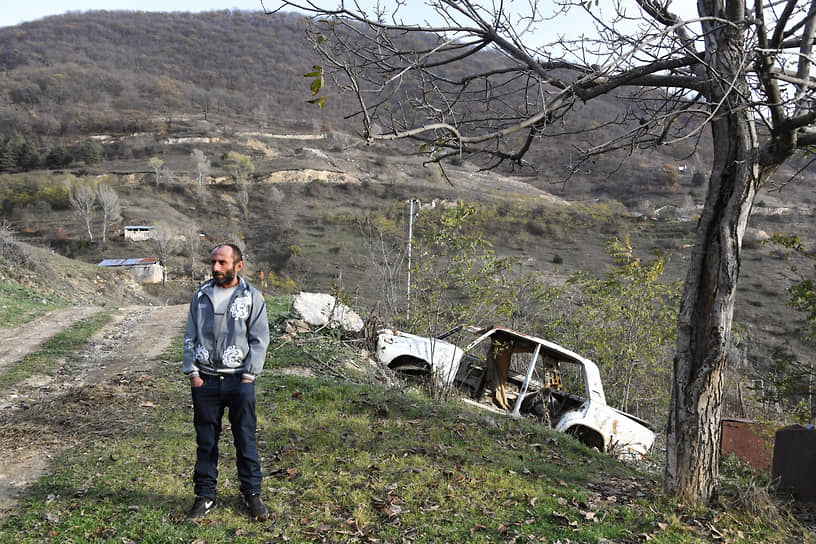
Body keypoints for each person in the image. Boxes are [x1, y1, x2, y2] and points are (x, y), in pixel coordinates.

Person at [182, 243, 270, 521]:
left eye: (222, 262)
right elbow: (189, 336)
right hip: (205, 380)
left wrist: (248, 376)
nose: (216, 267)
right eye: (214, 262)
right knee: (206, 440)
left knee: (245, 437)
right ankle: (205, 496)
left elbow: (260, 340)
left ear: (238, 266)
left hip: (239, 381)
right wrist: (193, 374)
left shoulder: (252, 297)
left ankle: (252, 494)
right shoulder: (201, 296)